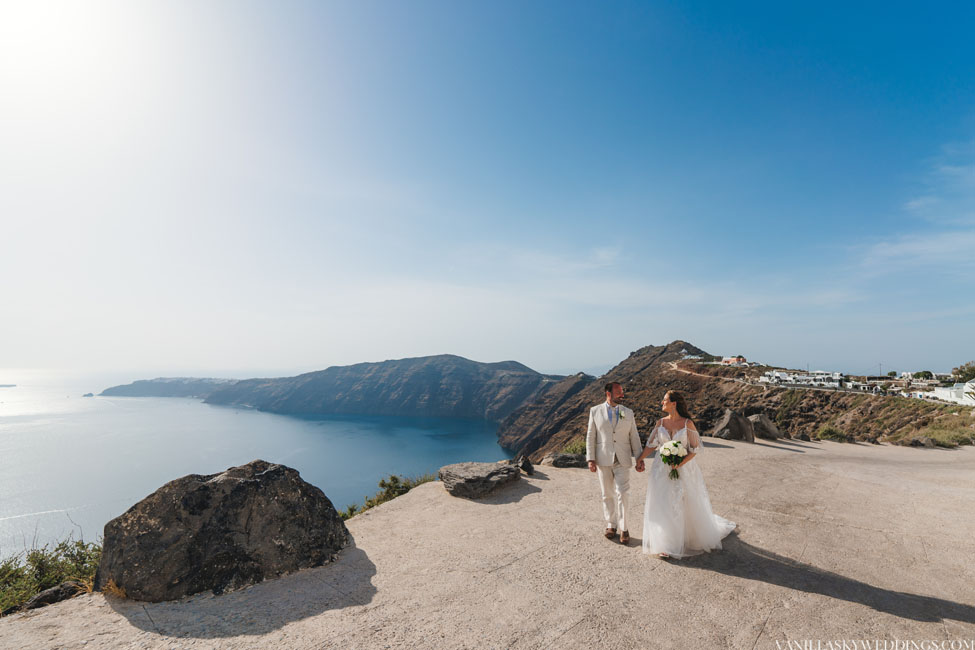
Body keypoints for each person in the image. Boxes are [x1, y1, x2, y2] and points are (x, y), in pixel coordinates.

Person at [635, 390, 736, 558]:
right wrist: (640, 459)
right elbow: (652, 445)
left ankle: (686, 536)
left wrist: (679, 464)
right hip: (661, 469)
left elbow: (695, 449)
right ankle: (666, 544)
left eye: (665, 400)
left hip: (683, 469)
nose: (662, 402)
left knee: (682, 501)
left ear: (674, 403)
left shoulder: (687, 424)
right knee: (662, 502)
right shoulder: (660, 423)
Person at [586, 382, 644, 545]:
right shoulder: (595, 411)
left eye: (622, 391)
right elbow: (591, 436)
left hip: (623, 459)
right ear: (608, 393)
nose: (622, 394)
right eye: (618, 392)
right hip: (603, 459)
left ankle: (624, 528)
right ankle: (611, 525)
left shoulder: (628, 412)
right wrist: (591, 458)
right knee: (607, 494)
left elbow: (634, 436)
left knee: (623, 493)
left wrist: (639, 458)